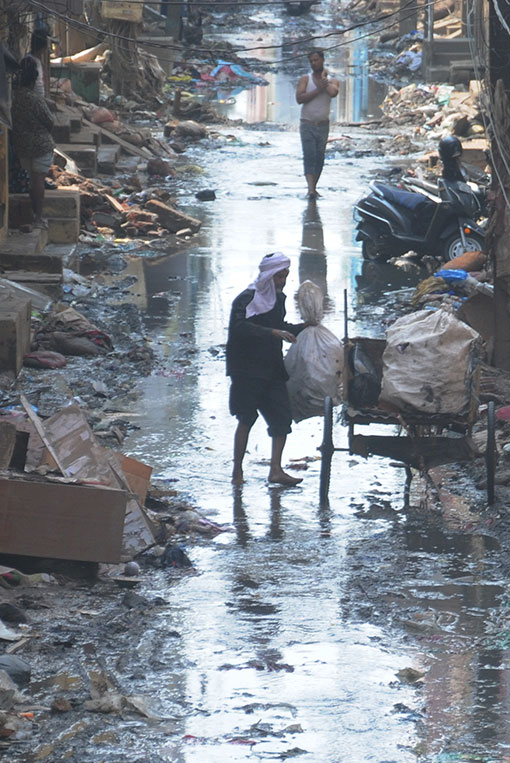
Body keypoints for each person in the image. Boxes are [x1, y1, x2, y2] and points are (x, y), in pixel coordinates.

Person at [227, 253, 305, 486]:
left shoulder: (278, 299)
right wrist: (271, 333)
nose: (282, 280)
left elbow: (281, 326)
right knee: (246, 419)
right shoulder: (246, 299)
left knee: (281, 420)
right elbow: (239, 328)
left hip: (271, 368)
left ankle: (276, 470)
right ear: (269, 275)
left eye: (285, 276)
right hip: (247, 370)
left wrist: (305, 328)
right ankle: (237, 471)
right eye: (279, 275)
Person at [11, 56, 55, 228]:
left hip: (22, 145)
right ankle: (38, 218)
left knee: (32, 180)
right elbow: (49, 121)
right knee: (38, 181)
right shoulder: (34, 98)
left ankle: (34, 216)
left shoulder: (14, 97)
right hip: (40, 145)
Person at [295, 49, 338, 198]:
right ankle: (311, 189)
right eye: (311, 61)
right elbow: (299, 98)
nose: (314, 63)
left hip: (323, 125)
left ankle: (314, 186)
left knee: (319, 157)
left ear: (322, 60)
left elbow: (333, 93)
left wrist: (323, 82)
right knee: (309, 155)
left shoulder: (331, 81)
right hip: (307, 123)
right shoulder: (305, 79)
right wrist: (317, 90)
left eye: (316, 60)